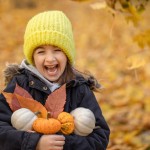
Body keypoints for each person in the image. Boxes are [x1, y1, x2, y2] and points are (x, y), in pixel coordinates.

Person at [0, 10, 110, 150]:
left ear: (67, 54)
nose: (50, 58)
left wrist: (62, 143)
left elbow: (100, 138)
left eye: (57, 50)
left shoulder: (79, 88)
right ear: (32, 57)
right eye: (41, 52)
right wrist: (35, 142)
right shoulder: (20, 85)